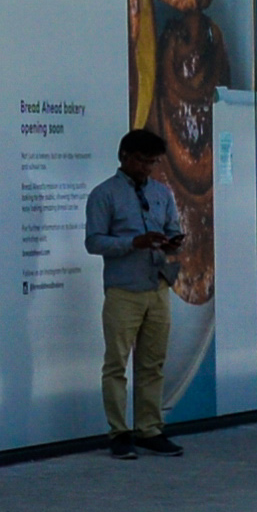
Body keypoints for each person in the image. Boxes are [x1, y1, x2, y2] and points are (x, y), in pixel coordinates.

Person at [87, 127, 186, 456]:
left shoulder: (161, 192)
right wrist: (133, 243)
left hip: (158, 285)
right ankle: (119, 433)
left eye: (153, 162)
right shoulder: (104, 194)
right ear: (124, 157)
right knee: (116, 364)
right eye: (143, 161)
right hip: (123, 289)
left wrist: (172, 241)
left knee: (153, 363)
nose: (148, 168)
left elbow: (173, 227)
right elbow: (94, 241)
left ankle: (149, 428)